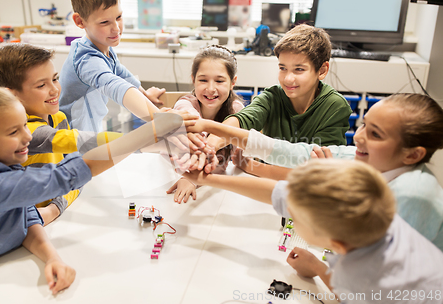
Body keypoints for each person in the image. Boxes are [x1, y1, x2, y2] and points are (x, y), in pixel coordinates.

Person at [0, 86, 187, 290]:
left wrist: (52, 258)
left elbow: (23, 218)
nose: (27, 137)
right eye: (13, 132)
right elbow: (73, 173)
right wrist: (152, 130)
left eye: (25, 125)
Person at [187, 93, 443, 250]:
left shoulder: (414, 197)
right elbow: (289, 151)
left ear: (413, 154)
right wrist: (211, 126)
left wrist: (321, 271)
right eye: (364, 125)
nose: (360, 137)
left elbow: (378, 281)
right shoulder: (368, 159)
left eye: (375, 134)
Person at [182, 159, 443, 303]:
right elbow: (282, 193)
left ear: (335, 244)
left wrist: (322, 270)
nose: (290, 215)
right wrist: (202, 178)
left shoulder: (364, 276)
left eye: (294, 218)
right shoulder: (375, 219)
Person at [0, 43, 122, 225]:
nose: (54, 90)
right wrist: (141, 139)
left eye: (55, 79)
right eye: (42, 85)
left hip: (51, 219)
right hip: (20, 225)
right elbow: (77, 150)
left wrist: (54, 208)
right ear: (11, 94)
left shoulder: (57, 117)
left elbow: (75, 175)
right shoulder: (24, 132)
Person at [202, 24, 352, 176]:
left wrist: (251, 166)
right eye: (282, 68)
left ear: (322, 70)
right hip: (265, 184)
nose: (288, 78)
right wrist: (210, 146)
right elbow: (241, 120)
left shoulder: (335, 106)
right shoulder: (272, 96)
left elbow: (315, 172)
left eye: (299, 69)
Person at [59, 0, 165, 132]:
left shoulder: (102, 47)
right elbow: (115, 85)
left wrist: (144, 95)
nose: (116, 28)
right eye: (104, 22)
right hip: (71, 139)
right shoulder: (86, 59)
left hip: (89, 132)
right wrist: (158, 119)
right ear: (80, 21)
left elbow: (123, 76)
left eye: (119, 17)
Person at [166, 45, 244, 203]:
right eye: (203, 80)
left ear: (232, 82)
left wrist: (193, 180)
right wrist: (188, 177)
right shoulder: (185, 105)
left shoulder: (236, 111)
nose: (210, 88)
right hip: (170, 177)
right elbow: (194, 126)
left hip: (215, 188)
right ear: (193, 79)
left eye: (219, 81)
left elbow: (241, 156)